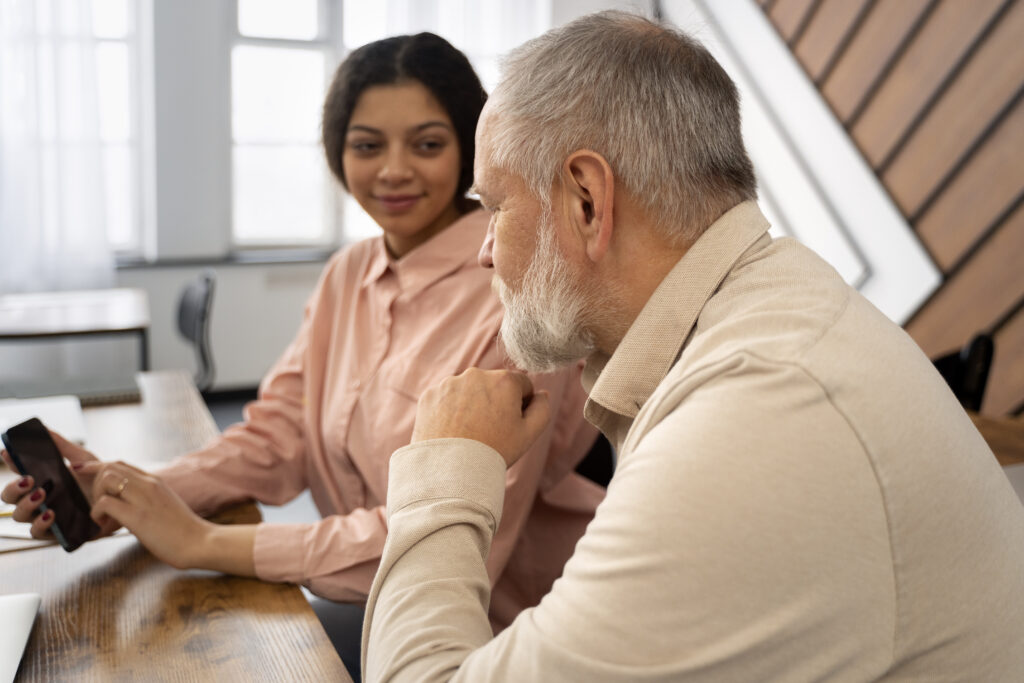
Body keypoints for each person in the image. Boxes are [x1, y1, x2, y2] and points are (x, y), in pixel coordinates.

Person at [359, 11, 1024, 681]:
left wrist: (445, 466)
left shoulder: (760, 418)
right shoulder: (774, 306)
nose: (484, 251)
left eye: (496, 207)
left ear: (587, 200)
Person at [1, 32, 604, 679]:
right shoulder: (348, 272)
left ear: (470, 152)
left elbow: (449, 540)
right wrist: (130, 494)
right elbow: (277, 433)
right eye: (367, 145)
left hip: (504, 632)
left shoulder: (514, 288)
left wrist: (204, 540)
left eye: (427, 144)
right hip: (379, 605)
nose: (393, 170)